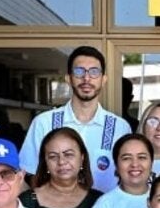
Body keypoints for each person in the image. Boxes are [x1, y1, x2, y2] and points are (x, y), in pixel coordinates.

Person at [19, 46, 133, 192]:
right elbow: (29, 173)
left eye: (94, 72)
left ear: (104, 79)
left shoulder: (120, 127)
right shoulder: (44, 122)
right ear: (68, 78)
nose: (86, 78)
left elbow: (128, 177)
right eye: (79, 71)